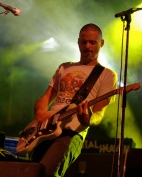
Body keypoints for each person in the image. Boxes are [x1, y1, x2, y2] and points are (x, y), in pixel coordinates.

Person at [30, 23, 117, 176]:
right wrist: (40, 113)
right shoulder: (64, 67)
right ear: (78, 42)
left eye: (92, 42)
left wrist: (88, 119)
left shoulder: (107, 75)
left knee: (47, 173)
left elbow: (99, 113)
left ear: (101, 43)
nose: (87, 46)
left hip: (71, 134)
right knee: (32, 173)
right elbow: (46, 97)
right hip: (44, 131)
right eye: (84, 42)